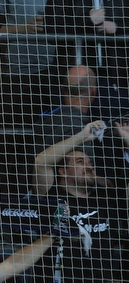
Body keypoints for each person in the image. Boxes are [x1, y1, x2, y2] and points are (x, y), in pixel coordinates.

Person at [31, 121, 129, 283]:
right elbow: (41, 162)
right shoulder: (52, 197)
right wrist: (82, 136)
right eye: (80, 162)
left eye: (90, 163)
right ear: (63, 171)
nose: (89, 167)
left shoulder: (105, 197)